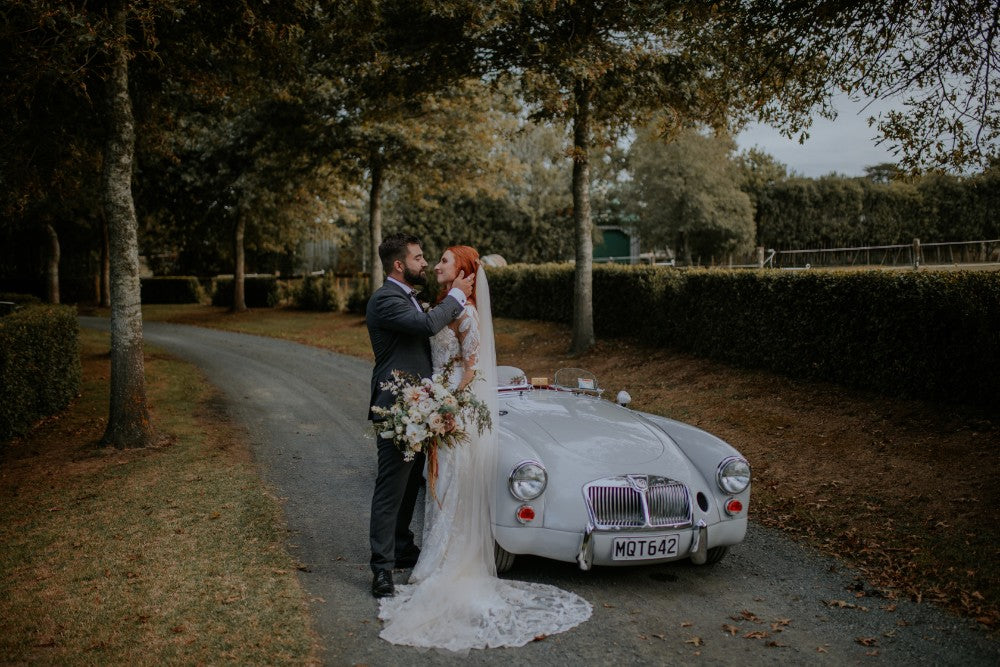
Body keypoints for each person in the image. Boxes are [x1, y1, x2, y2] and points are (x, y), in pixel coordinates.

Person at [377, 245, 592, 651]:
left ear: (464, 272)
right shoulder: (441, 305)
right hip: (436, 401)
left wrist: (446, 404)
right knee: (439, 485)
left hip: (453, 407)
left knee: (452, 483)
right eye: (434, 259)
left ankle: (451, 561)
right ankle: (433, 557)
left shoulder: (467, 312)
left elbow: (472, 368)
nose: (435, 265)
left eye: (444, 260)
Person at [366, 233, 474, 599]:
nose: (425, 263)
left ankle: (402, 547)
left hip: (422, 405)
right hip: (397, 405)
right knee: (391, 487)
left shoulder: (409, 297)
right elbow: (427, 327)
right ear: (400, 265)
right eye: (418, 257)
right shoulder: (385, 299)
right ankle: (381, 569)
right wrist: (456, 295)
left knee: (411, 482)